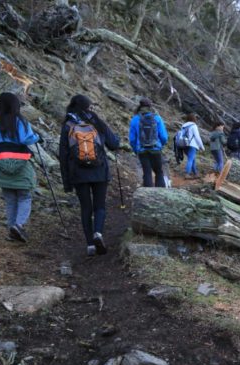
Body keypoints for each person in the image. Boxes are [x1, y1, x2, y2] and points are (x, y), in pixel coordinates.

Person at [58, 95, 120, 256]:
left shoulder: (68, 124)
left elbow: (63, 154)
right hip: (99, 170)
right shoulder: (97, 122)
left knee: (86, 208)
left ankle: (90, 245)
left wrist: (67, 181)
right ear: (88, 107)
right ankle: (98, 233)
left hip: (78, 173)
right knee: (99, 206)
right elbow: (114, 144)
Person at [0, 92, 40, 243]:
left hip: (0, 161)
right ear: (15, 105)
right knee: (24, 196)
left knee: (10, 198)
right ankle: (19, 225)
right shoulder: (20, 121)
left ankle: (12, 230)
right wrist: (36, 137)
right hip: (20, 161)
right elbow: (25, 139)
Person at [129, 98, 168, 187]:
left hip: (142, 150)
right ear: (150, 106)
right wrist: (160, 145)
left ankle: (147, 198)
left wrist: (136, 150)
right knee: (159, 172)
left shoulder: (135, 119)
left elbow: (132, 139)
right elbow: (164, 137)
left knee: (147, 172)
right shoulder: (157, 118)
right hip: (155, 149)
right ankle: (161, 196)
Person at [179, 113, 204, 177]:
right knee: (190, 159)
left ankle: (195, 173)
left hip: (184, 144)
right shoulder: (194, 126)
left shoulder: (183, 126)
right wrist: (201, 146)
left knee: (192, 159)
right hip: (192, 144)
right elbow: (197, 137)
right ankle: (187, 173)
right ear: (194, 119)